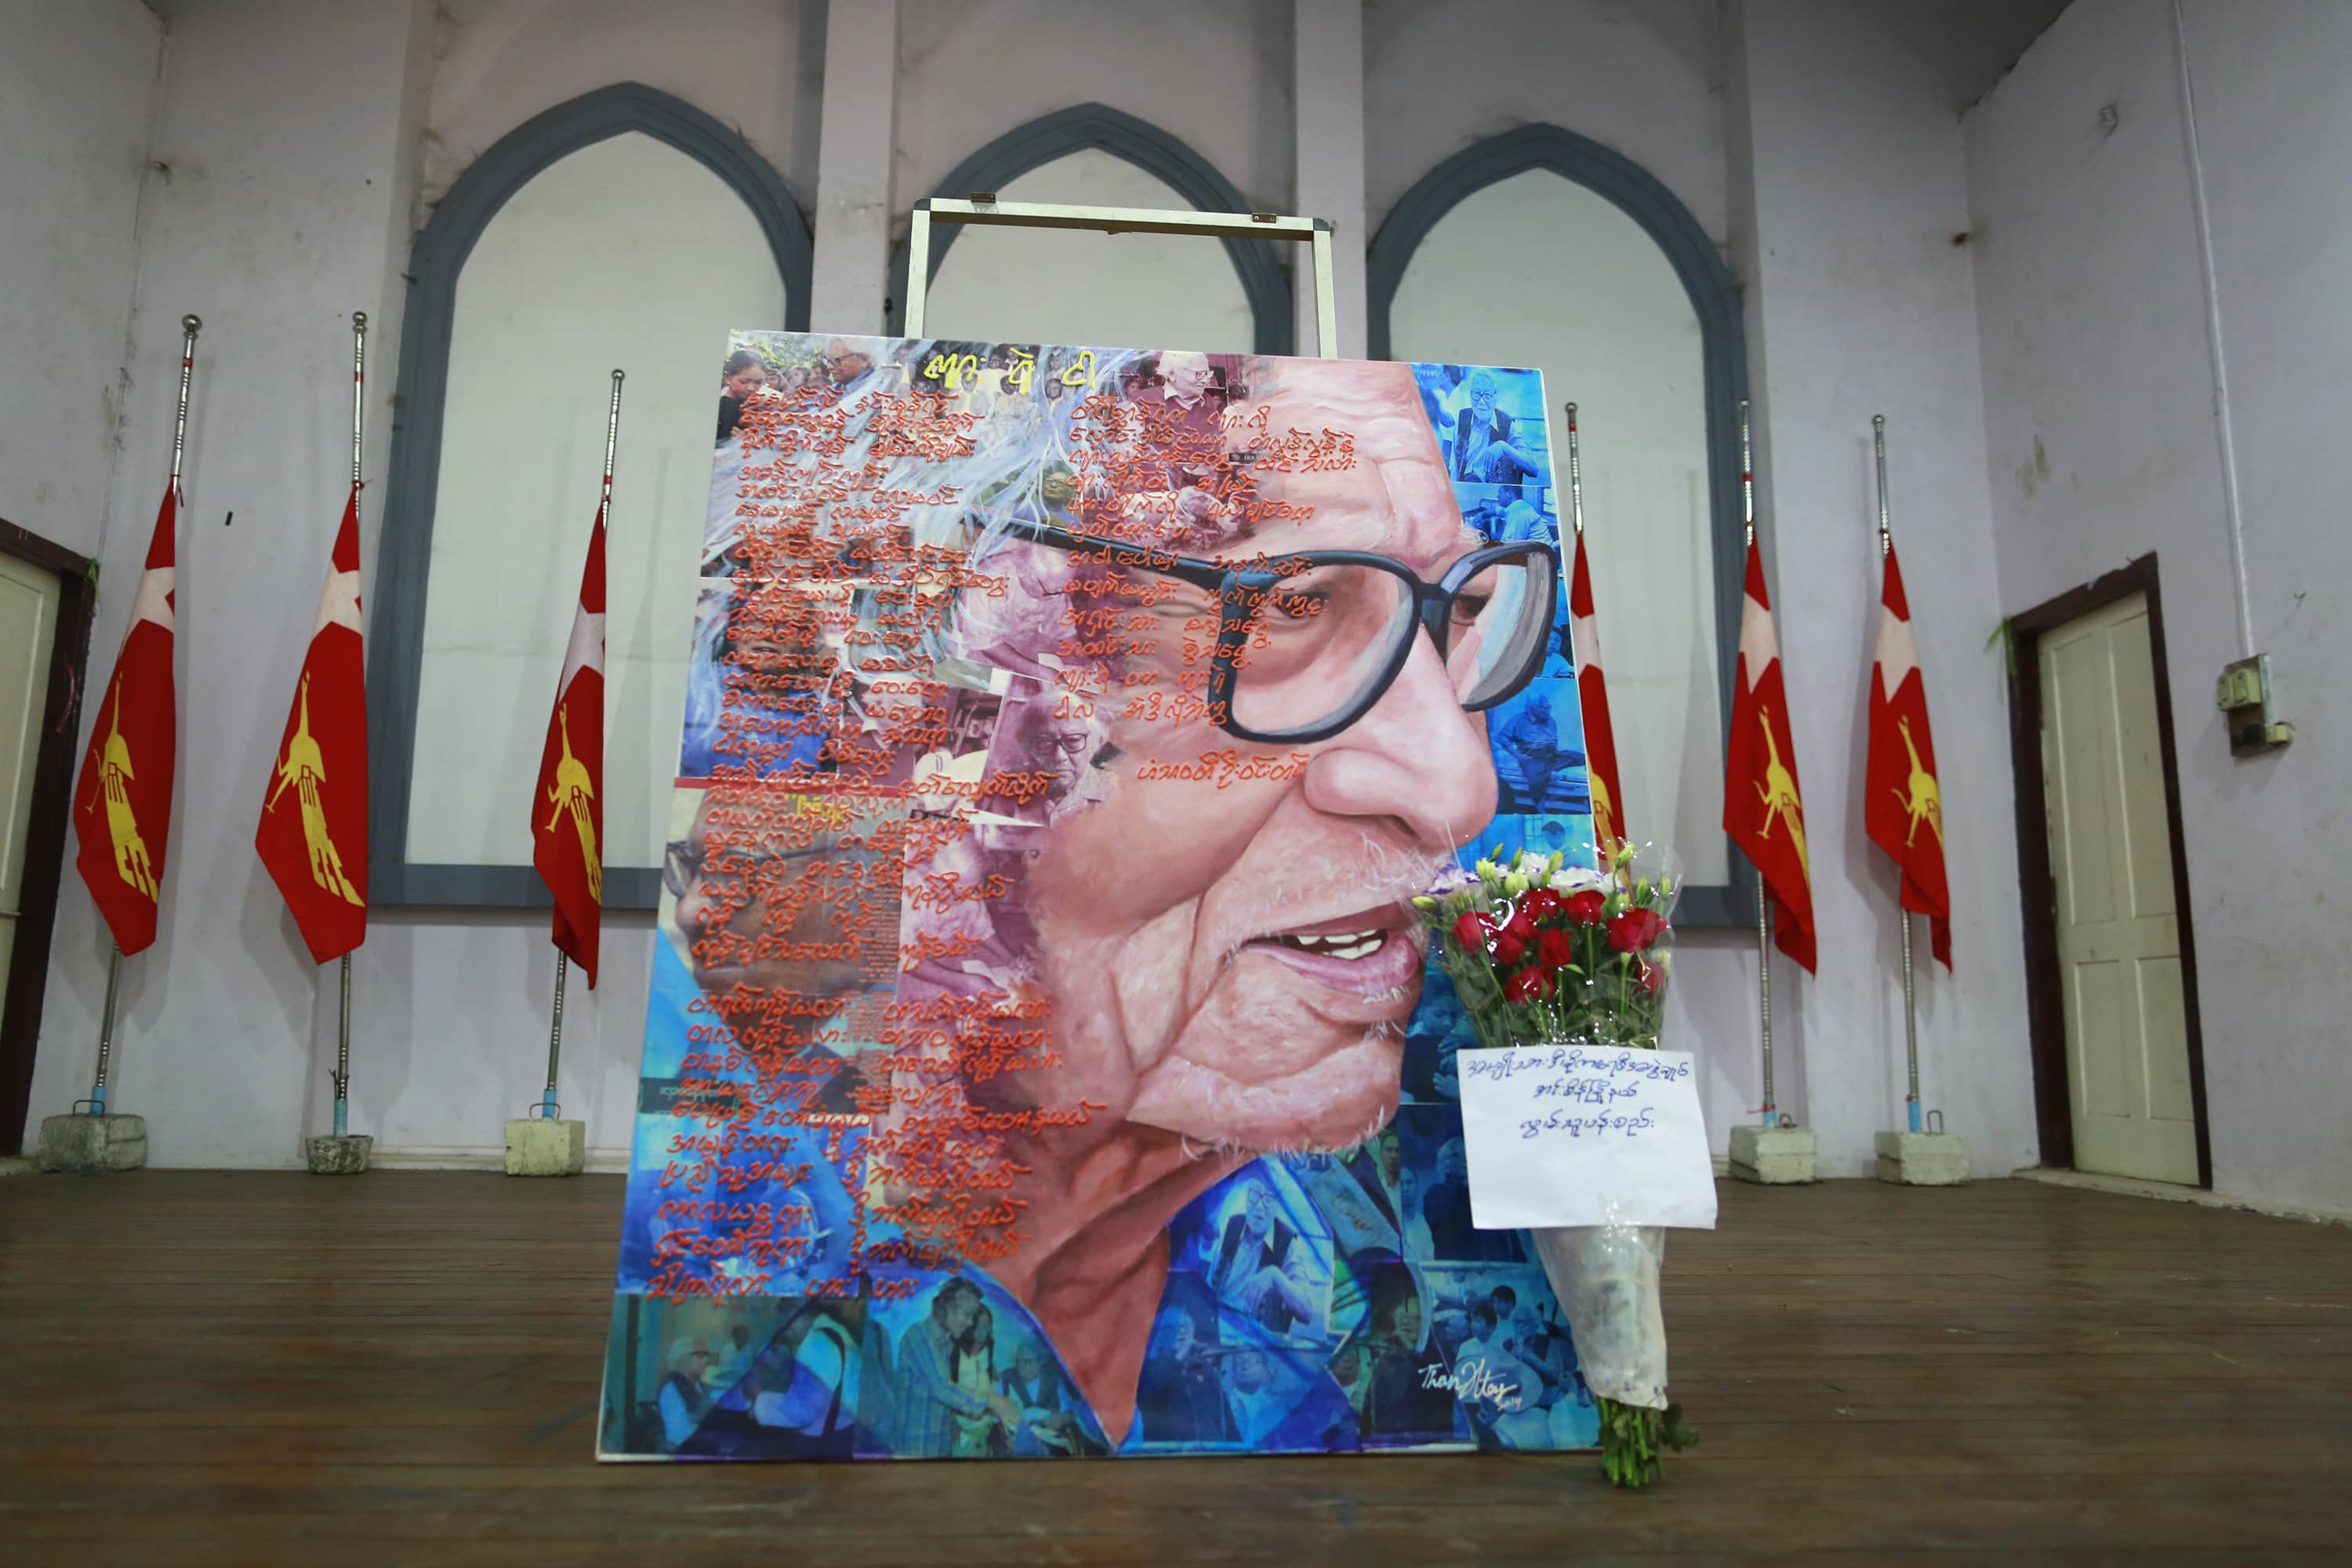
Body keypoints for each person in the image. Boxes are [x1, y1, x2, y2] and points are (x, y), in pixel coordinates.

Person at [890, 1278, 1022, 1458]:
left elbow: (944, 1396)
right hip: (915, 1451)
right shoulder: (919, 1337)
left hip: (939, 1448)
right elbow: (941, 1388)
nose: (969, 1323)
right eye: (967, 1315)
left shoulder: (947, 1343)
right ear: (947, 1309)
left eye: (972, 1316)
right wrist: (993, 1401)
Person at [1208, 1179, 1318, 1337]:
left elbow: (1306, 1313)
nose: (1259, 1207)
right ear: (1247, 1197)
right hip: (1218, 1328)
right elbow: (1210, 1286)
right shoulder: (1231, 1226)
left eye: (1269, 1198)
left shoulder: (1285, 1243)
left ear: (1278, 1205)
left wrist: (1275, 1276)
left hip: (1256, 1342)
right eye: (1254, 1194)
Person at [1451, 370, 1540, 485]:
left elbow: (1533, 469)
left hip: (1495, 496)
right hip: (1465, 492)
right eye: (1477, 394)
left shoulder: (1507, 425)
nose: (1482, 402)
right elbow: (1454, 468)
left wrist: (1505, 448)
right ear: (1470, 395)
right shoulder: (1462, 419)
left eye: (1487, 395)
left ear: (1495, 397)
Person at [1497, 688, 1570, 811]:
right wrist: (1518, 756)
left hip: (1548, 755)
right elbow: (1503, 738)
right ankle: (1541, 810)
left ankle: (1550, 772)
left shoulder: (1550, 721)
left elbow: (1554, 741)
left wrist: (1551, 746)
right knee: (1537, 778)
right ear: (1533, 707)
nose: (1548, 709)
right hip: (1530, 757)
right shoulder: (1517, 720)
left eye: (1548, 706)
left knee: (1577, 757)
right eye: (1545, 706)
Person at [949, 1304, 1004, 1457]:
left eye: (987, 1326)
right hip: (961, 1428)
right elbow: (947, 1389)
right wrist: (953, 1424)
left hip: (985, 1425)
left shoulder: (989, 1346)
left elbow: (985, 1369)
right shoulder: (955, 1350)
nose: (984, 1331)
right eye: (980, 1326)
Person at [657, 1338, 717, 1453]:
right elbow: (679, 1436)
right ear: (682, 1360)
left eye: (706, 1355)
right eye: (700, 1356)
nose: (706, 1360)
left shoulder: (699, 1385)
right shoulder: (671, 1390)